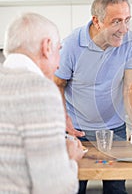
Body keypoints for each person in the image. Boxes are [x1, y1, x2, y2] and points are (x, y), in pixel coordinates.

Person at [54, 0, 132, 194]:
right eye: (116, 22)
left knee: (116, 189)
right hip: (76, 133)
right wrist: (62, 118)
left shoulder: (130, 42)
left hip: (114, 130)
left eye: (127, 20)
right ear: (97, 21)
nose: (123, 29)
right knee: (72, 188)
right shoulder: (71, 45)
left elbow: (131, 87)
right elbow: (57, 83)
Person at [0, 12, 84, 193]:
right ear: (47, 47)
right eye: (58, 50)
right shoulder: (41, 90)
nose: (59, 65)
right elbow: (54, 188)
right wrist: (70, 159)